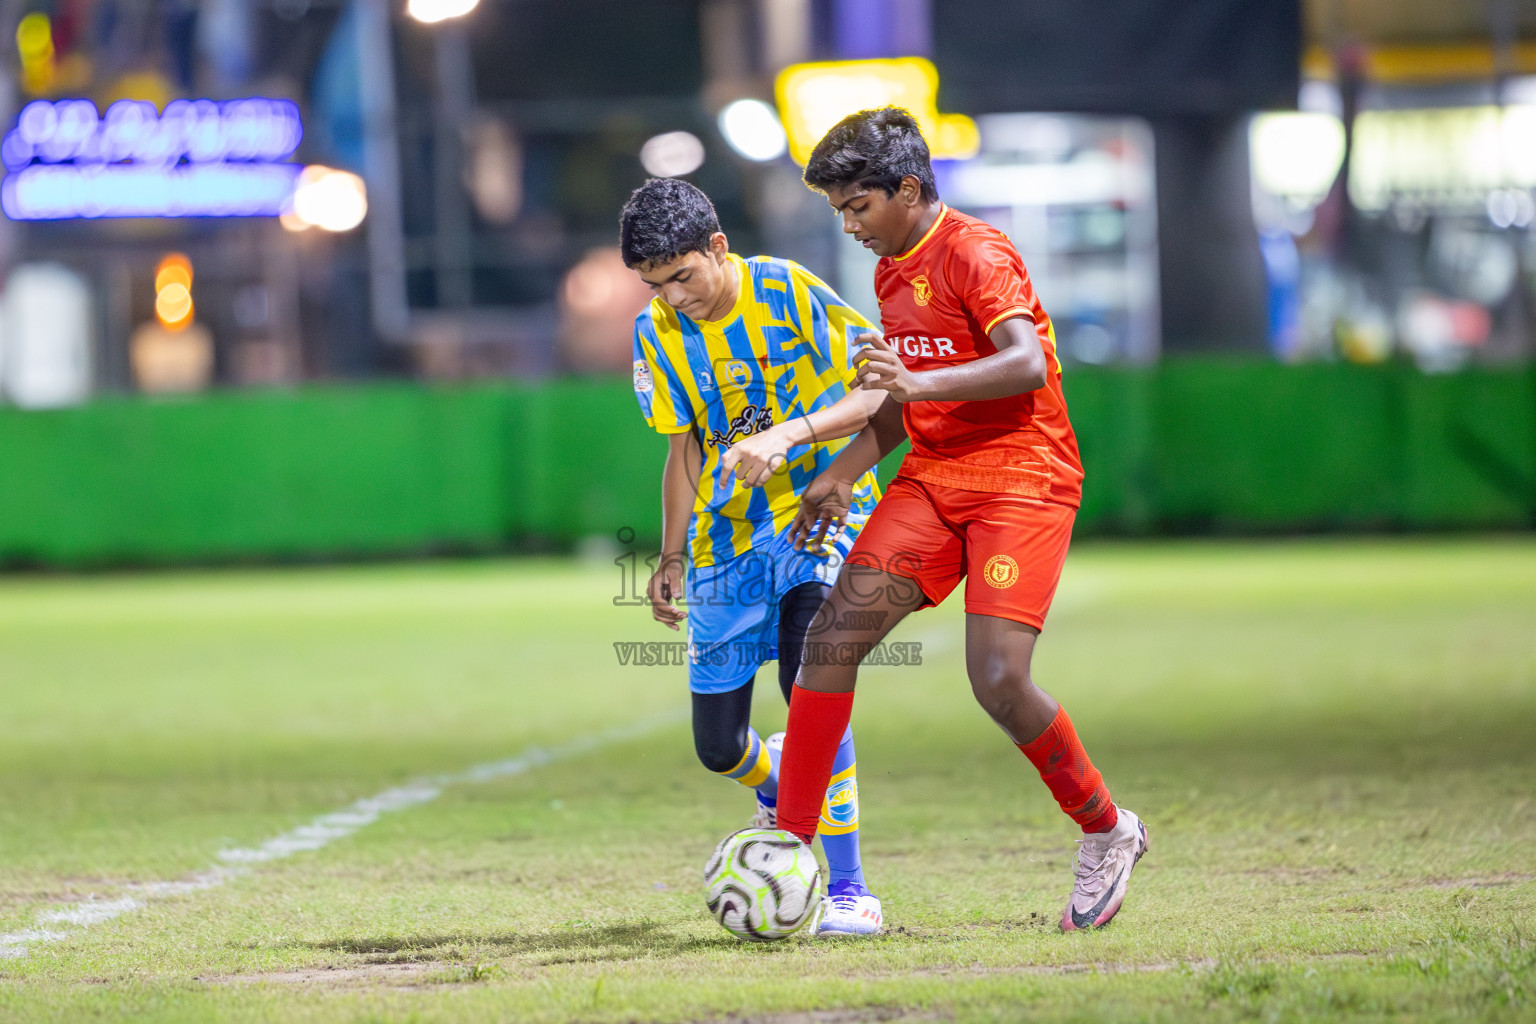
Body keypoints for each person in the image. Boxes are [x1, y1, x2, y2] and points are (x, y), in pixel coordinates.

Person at [773, 108, 1149, 932]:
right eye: (839, 210)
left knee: (999, 680)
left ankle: (1107, 830)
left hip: (1023, 477)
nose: (849, 224)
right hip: (936, 479)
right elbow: (901, 407)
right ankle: (791, 851)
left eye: (858, 206)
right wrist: (837, 476)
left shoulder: (975, 250)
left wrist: (916, 387)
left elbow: (1026, 362)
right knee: (831, 639)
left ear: (909, 188)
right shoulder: (889, 269)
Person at [620, 177, 886, 936]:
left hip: (821, 514)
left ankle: (847, 889)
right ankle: (779, 783)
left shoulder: (789, 291)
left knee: (813, 688)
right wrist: (670, 557)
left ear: (717, 248)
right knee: (717, 748)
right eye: (655, 285)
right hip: (728, 543)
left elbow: (878, 398)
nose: (674, 297)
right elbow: (684, 452)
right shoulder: (656, 334)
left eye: (683, 276)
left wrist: (789, 435)